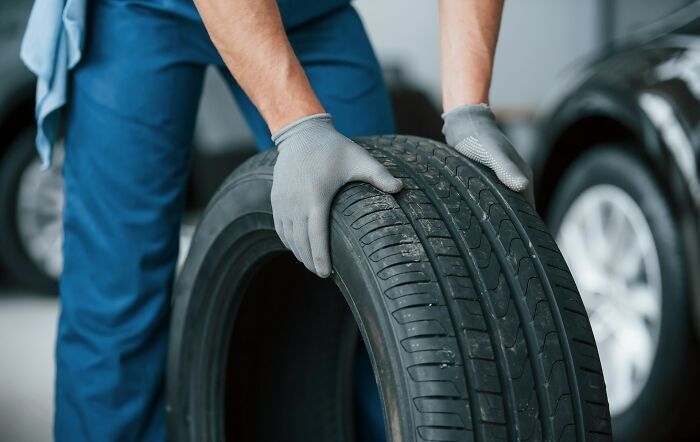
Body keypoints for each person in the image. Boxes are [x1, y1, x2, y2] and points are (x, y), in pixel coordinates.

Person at [21, 0, 533, 440]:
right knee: (115, 292)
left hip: (309, 10)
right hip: (136, 12)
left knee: (387, 262)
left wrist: (468, 108)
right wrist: (300, 126)